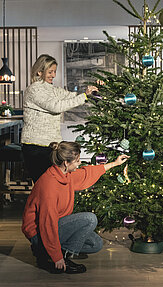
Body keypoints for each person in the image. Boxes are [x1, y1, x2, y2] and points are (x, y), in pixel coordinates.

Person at [22, 141, 129, 274]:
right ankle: (58, 257)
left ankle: (46, 251)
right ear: (66, 163)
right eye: (77, 161)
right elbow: (47, 224)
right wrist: (57, 257)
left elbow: (87, 173)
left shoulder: (65, 174)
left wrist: (115, 163)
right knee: (89, 219)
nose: (79, 164)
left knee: (95, 244)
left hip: (56, 225)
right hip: (39, 234)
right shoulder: (49, 186)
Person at [21, 54, 98, 183]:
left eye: (54, 71)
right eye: (50, 72)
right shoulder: (33, 90)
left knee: (54, 184)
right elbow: (56, 106)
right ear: (39, 72)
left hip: (51, 145)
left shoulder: (53, 89)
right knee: (44, 185)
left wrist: (91, 90)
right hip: (35, 146)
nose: (53, 75)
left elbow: (71, 96)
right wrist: (84, 96)